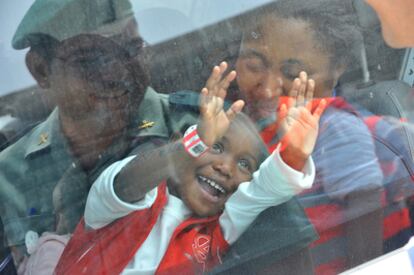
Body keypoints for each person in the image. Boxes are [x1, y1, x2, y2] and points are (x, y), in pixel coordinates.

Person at [55, 64, 325, 274]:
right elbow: (128, 182)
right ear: (177, 143)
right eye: (217, 147)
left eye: (244, 164)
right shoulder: (119, 206)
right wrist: (197, 142)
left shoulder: (220, 228)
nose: (224, 167)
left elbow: (264, 190)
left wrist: (294, 153)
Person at [216, 0, 386, 274]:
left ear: (337, 67)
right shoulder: (234, 118)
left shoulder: (338, 132)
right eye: (254, 64)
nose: (269, 89)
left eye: (293, 74)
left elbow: (367, 253)